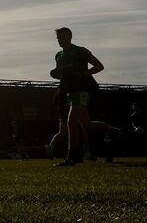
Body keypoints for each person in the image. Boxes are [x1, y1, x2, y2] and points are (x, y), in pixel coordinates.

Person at [45, 27, 115, 166]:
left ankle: (72, 157)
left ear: (70, 37)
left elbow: (99, 66)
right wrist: (57, 74)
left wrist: (83, 74)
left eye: (62, 37)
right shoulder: (59, 55)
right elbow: (62, 75)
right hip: (70, 92)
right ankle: (116, 132)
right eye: (58, 38)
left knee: (71, 122)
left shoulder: (80, 51)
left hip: (82, 90)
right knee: (87, 125)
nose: (60, 40)